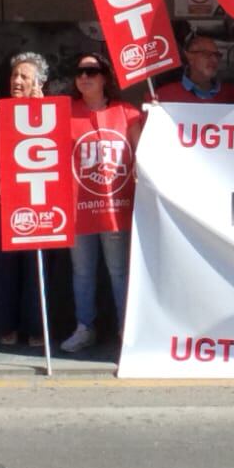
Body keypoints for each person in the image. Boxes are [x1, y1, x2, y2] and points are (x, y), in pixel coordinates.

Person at [0, 51, 64, 347]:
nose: (16, 80)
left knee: (37, 266)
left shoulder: (51, 110)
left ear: (39, 83)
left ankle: (37, 327)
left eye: (24, 77)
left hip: (40, 200)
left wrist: (42, 113)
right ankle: (6, 326)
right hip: (3, 202)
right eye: (14, 75)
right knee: (2, 268)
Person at [64, 52, 144, 354]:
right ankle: (85, 327)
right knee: (82, 272)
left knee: (120, 270)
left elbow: (143, 153)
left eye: (92, 71)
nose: (84, 76)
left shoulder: (127, 112)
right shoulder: (65, 112)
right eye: (79, 70)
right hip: (78, 207)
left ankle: (127, 329)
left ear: (105, 77)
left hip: (115, 206)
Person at [155, 32, 234, 104]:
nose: (214, 59)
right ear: (189, 57)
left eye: (217, 55)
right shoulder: (163, 96)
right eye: (207, 53)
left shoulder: (233, 95)